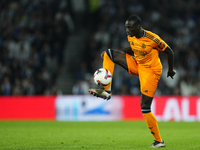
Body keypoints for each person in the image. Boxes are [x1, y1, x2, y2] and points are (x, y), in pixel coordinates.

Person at [89, 15, 176, 148]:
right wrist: (119, 53)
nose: (127, 30)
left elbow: (170, 52)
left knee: (145, 107)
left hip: (151, 71)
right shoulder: (131, 36)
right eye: (126, 27)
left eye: (129, 27)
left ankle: (159, 141)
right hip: (138, 65)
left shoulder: (153, 38)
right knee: (109, 54)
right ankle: (106, 91)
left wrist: (170, 70)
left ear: (138, 27)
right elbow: (133, 48)